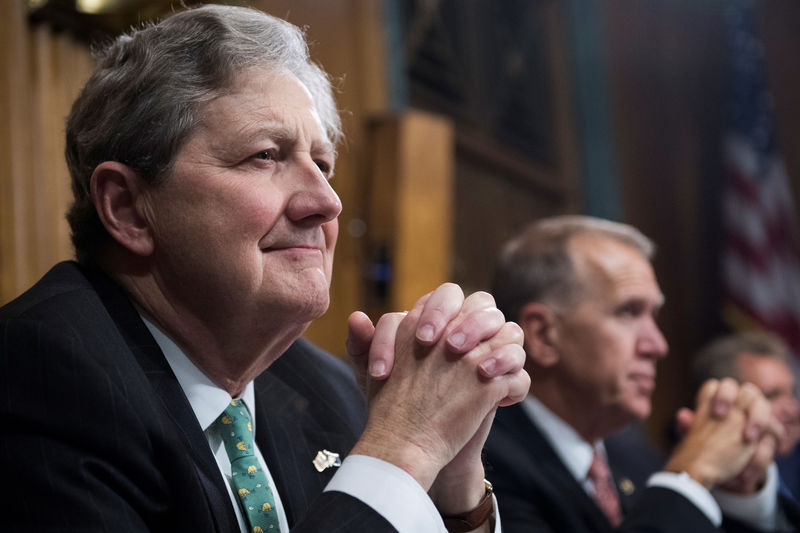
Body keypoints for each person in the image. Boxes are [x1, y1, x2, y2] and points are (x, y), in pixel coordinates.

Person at [0, 5, 531, 532]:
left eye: (322, 165)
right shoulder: (36, 372)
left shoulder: (324, 387)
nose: (326, 202)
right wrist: (404, 449)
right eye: (265, 156)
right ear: (128, 208)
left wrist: (449, 493)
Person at [484, 215, 796, 532]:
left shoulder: (635, 457)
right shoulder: (480, 463)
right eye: (628, 312)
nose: (658, 345)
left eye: (654, 315)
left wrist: (739, 489)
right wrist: (691, 473)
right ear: (543, 334)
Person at [693, 331, 800, 499]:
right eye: (771, 395)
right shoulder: (694, 477)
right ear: (722, 403)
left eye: (792, 393)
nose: (794, 411)